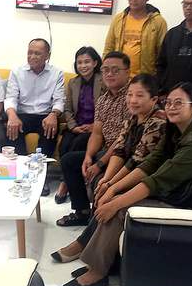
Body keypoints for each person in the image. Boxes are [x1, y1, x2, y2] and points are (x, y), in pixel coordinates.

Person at [53, 82, 192, 286]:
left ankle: (98, 272)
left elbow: (156, 180)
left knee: (121, 208)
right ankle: (97, 258)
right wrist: (111, 189)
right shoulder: (176, 130)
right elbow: (149, 164)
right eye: (169, 102)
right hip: (179, 195)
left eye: (179, 103)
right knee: (115, 198)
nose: (171, 107)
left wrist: (114, 202)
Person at [54, 73, 165, 229]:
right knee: (71, 161)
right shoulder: (133, 117)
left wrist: (110, 183)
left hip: (146, 174)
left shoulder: (158, 121)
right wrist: (106, 179)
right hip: (125, 161)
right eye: (130, 95)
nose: (133, 100)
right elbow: (119, 149)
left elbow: (136, 161)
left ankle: (91, 233)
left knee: (105, 190)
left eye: (139, 95)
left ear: (153, 100)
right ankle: (83, 214)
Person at [55, 51, 131, 227]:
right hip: (106, 150)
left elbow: (123, 138)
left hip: (123, 154)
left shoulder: (132, 97)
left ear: (127, 72)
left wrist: (100, 163)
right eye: (106, 70)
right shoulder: (103, 99)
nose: (109, 74)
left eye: (115, 70)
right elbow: (97, 133)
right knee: (69, 160)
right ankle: (82, 212)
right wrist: (89, 156)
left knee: (78, 151)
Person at [4, 38, 65, 196]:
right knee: (11, 127)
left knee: (50, 130)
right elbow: (10, 97)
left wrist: (54, 114)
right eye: (30, 52)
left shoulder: (57, 73)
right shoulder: (17, 72)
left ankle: (40, 178)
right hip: (23, 114)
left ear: (47, 56)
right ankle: (22, 174)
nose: (32, 56)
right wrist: (12, 115)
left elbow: (59, 100)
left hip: (46, 115)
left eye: (37, 53)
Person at [55, 46, 104, 204]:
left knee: (78, 143)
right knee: (64, 144)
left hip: (95, 128)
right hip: (77, 126)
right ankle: (67, 180)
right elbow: (68, 109)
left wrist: (94, 126)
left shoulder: (103, 81)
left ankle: (65, 183)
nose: (83, 66)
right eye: (79, 62)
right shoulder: (73, 83)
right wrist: (74, 126)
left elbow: (106, 108)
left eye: (87, 62)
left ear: (95, 63)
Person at [103, 0, 168, 76]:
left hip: (145, 79)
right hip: (119, 77)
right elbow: (108, 48)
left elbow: (162, 55)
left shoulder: (158, 22)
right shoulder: (118, 19)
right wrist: (106, 72)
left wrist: (158, 78)